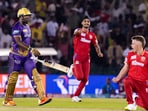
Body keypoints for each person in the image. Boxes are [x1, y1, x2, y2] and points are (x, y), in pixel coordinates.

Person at [3, 8, 52, 106]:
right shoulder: (16, 27)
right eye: (27, 16)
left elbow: (27, 41)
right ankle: (7, 100)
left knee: (36, 76)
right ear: (21, 16)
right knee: (12, 79)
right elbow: (18, 41)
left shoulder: (28, 26)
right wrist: (31, 49)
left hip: (27, 57)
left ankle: (42, 98)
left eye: (29, 15)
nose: (29, 17)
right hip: (16, 56)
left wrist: (30, 52)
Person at [68, 16, 103, 102]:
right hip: (77, 57)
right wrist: (79, 32)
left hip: (86, 58)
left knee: (85, 79)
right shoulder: (78, 31)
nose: (86, 23)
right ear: (82, 23)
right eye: (85, 21)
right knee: (80, 77)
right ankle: (73, 68)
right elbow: (75, 33)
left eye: (88, 22)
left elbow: (96, 45)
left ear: (90, 24)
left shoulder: (92, 35)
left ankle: (75, 96)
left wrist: (99, 52)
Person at [112, 35, 148, 110]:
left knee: (146, 106)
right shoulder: (130, 54)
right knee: (127, 81)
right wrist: (118, 78)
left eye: (133, 44)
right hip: (132, 80)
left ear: (139, 45)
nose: (131, 46)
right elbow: (125, 67)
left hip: (143, 83)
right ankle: (130, 103)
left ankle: (136, 100)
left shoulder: (147, 56)